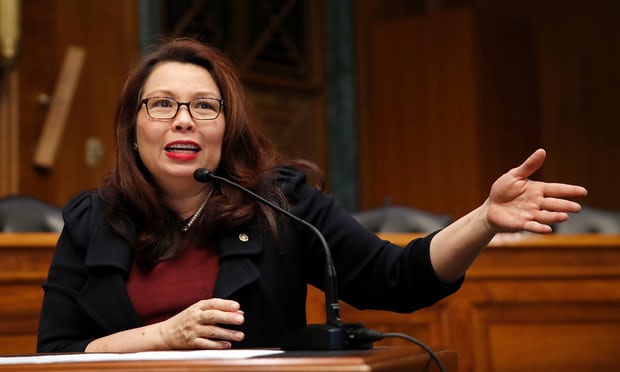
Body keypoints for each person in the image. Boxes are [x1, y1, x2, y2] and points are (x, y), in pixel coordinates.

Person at [36, 37, 587, 353]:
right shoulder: (90, 221)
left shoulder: (282, 204)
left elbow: (398, 278)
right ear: (133, 128)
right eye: (162, 105)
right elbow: (52, 357)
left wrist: (484, 219)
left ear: (228, 128)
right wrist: (162, 336)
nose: (184, 121)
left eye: (205, 106)